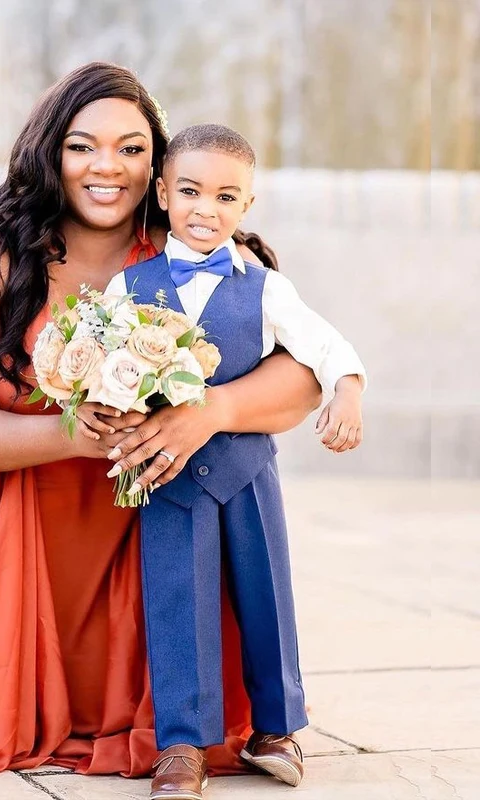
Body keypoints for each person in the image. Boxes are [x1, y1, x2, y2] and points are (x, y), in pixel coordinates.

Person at [0, 63, 322, 785]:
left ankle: (222, 717)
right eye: (83, 146)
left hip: (131, 508)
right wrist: (75, 436)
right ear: (49, 150)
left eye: (132, 149)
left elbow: (301, 379)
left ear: (161, 167)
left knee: (222, 485)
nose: (108, 167)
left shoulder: (198, 246)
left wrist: (212, 410)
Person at [103, 124, 365, 799]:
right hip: (166, 476)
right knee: (175, 599)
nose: (205, 209)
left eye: (225, 196)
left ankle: (276, 730)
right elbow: (102, 372)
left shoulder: (267, 288)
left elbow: (327, 345)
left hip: (249, 471)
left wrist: (349, 392)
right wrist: (110, 406)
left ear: (247, 206)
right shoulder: (128, 288)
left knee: (266, 592)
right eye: (189, 191)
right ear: (161, 193)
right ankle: (182, 747)